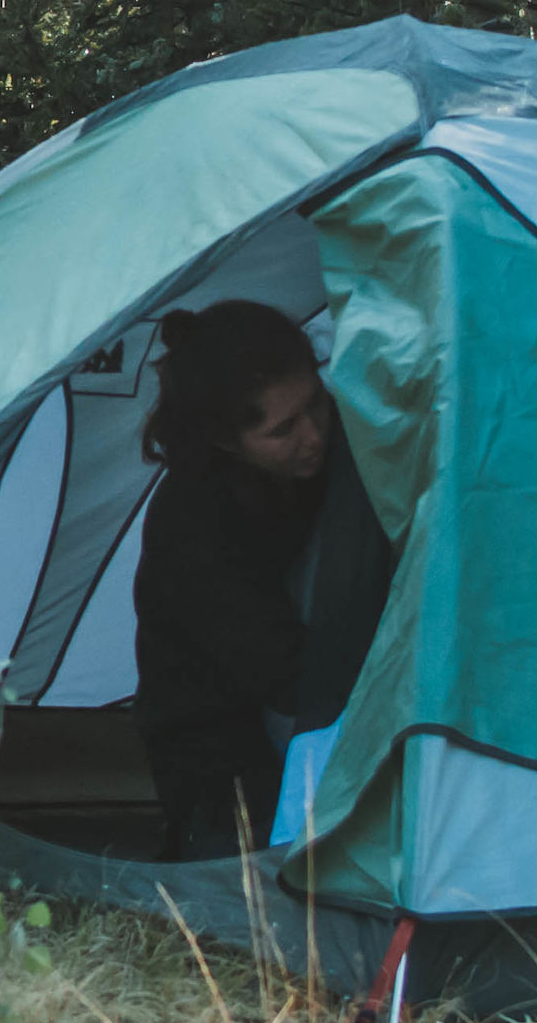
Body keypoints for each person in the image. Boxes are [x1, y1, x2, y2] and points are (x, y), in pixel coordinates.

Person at [130, 298, 390, 861]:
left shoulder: (340, 454)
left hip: (311, 712)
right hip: (219, 756)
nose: (313, 436)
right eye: (283, 430)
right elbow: (287, 674)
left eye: (315, 407)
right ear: (227, 441)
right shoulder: (192, 527)